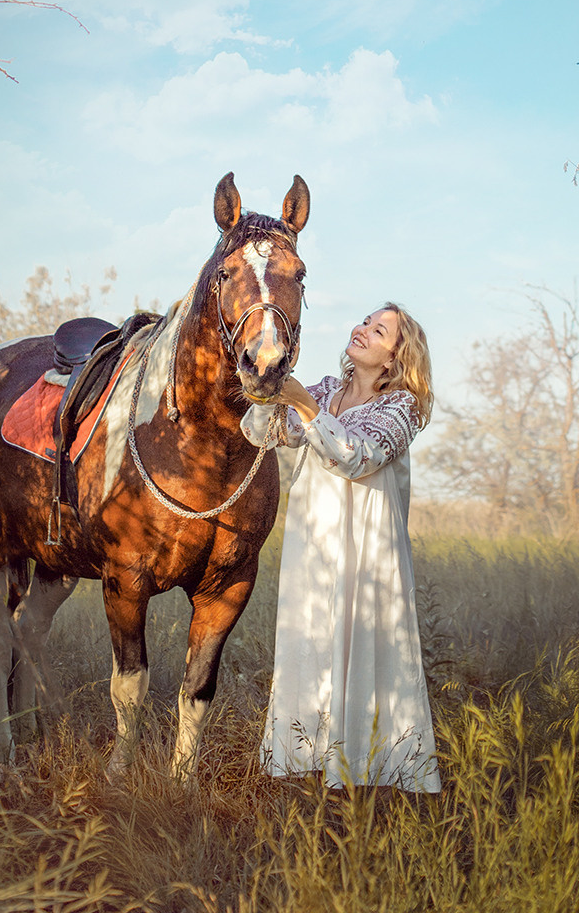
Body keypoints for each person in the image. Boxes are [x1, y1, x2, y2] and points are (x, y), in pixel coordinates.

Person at [240, 301, 439, 791]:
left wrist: (303, 406)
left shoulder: (401, 407)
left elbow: (356, 458)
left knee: (364, 644)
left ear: (394, 358)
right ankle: (302, 757)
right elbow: (260, 433)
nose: (363, 329)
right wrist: (267, 389)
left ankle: (371, 768)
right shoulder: (327, 389)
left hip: (368, 549)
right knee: (309, 638)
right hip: (314, 540)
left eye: (379, 331)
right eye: (366, 321)